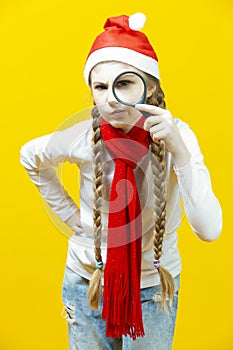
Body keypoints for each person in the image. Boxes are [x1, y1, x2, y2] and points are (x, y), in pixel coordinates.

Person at [20, 12, 222, 350]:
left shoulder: (178, 137)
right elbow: (31, 156)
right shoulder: (84, 137)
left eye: (125, 83)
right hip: (87, 280)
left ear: (151, 85)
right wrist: (70, 216)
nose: (111, 97)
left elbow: (209, 229)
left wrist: (180, 152)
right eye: (100, 86)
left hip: (153, 287)